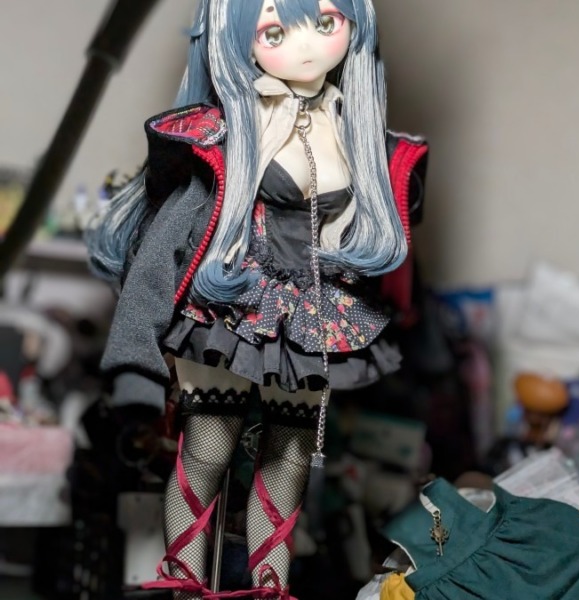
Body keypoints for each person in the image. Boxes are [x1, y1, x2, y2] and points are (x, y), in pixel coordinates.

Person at [86, 0, 428, 598]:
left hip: (315, 315)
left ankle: (272, 587)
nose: (306, 44)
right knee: (206, 451)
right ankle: (186, 584)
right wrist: (135, 366)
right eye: (275, 31)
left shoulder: (360, 133)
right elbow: (162, 249)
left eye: (325, 22)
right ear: (237, 37)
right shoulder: (227, 135)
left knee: (289, 459)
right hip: (231, 309)